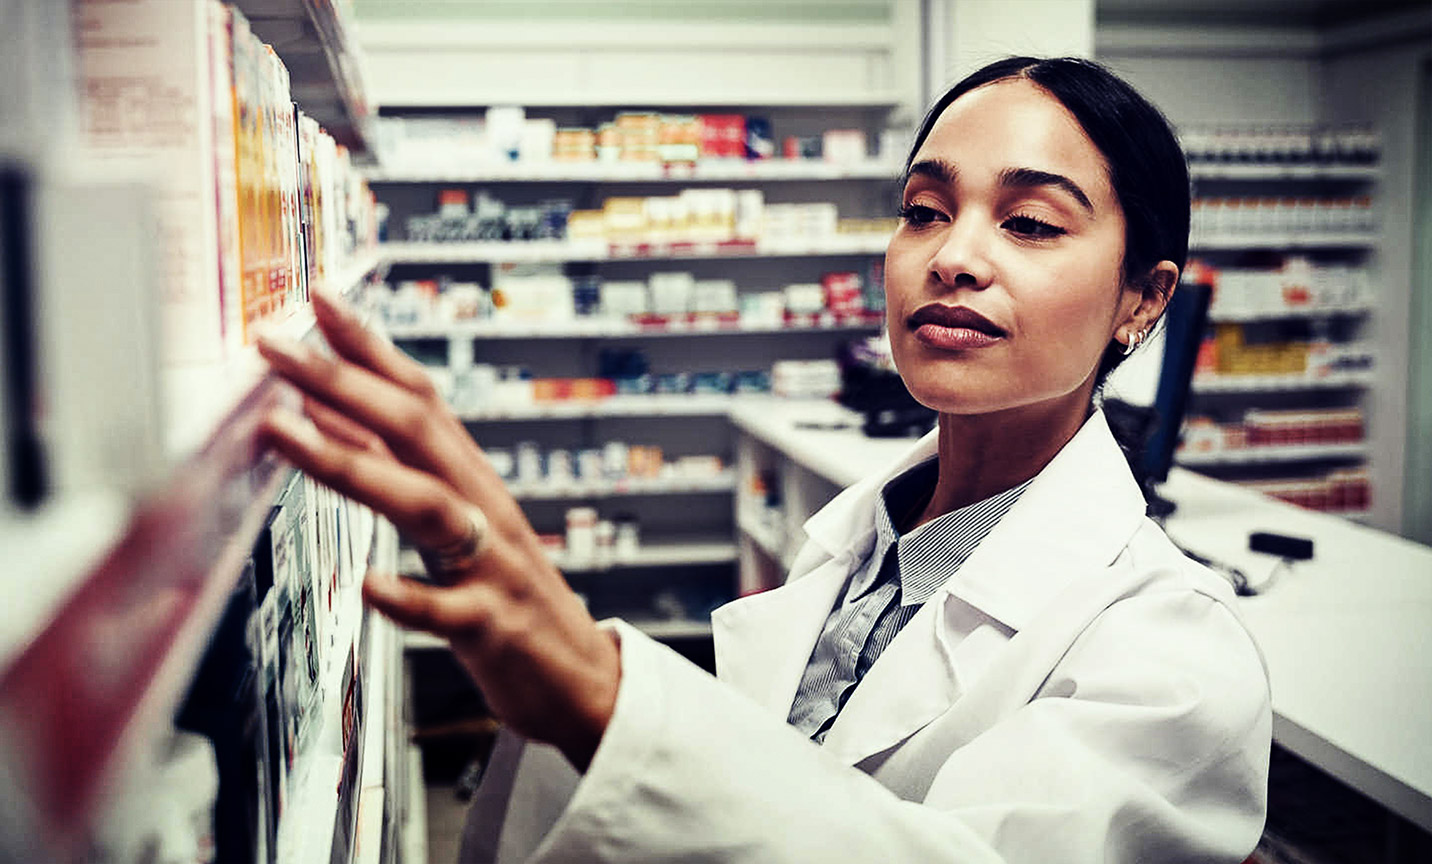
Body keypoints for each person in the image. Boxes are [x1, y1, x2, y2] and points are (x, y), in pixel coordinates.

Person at [256, 56, 1271, 863]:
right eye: (924, 208)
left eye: (1031, 222)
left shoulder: (1174, 661)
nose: (952, 255)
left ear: (1143, 299)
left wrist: (600, 694)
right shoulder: (858, 547)